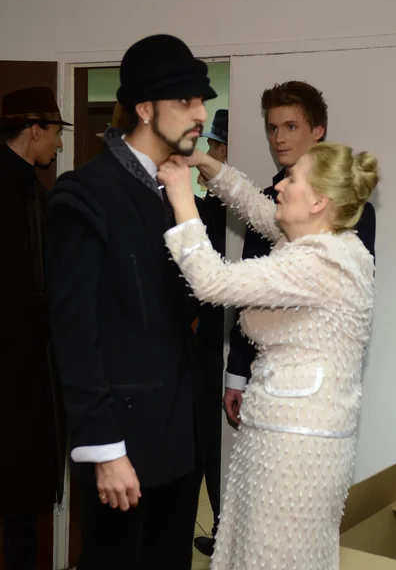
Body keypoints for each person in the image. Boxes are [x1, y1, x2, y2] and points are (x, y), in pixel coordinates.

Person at [158, 141, 379, 569]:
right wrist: (209, 165)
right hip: (285, 435)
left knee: (272, 556)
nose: (279, 186)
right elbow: (258, 209)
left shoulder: (322, 264)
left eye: (292, 179)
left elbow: (212, 282)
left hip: (293, 450)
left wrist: (183, 199)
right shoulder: (333, 242)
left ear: (318, 201)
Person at [46, 34, 216, 570]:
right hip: (124, 448)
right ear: (145, 108)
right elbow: (74, 336)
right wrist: (104, 449)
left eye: (200, 100)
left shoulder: (179, 190)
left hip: (181, 443)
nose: (200, 114)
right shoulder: (85, 195)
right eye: (185, 101)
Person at [224, 81, 376, 426]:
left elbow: (351, 305)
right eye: (273, 128)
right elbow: (247, 290)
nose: (279, 138)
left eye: (291, 127)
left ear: (318, 130)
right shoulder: (267, 201)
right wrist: (236, 372)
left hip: (317, 384)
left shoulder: (351, 207)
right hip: (261, 372)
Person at [0, 86, 69, 570]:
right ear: (36, 129)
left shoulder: (35, 192)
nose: (60, 145)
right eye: (56, 133)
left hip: (28, 378)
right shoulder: (13, 191)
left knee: (22, 503)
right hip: (15, 379)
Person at [194, 110, 228, 557]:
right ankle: (222, 531)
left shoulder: (220, 208)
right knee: (208, 440)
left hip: (215, 343)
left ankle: (225, 533)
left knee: (214, 443)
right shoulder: (208, 206)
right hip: (205, 344)